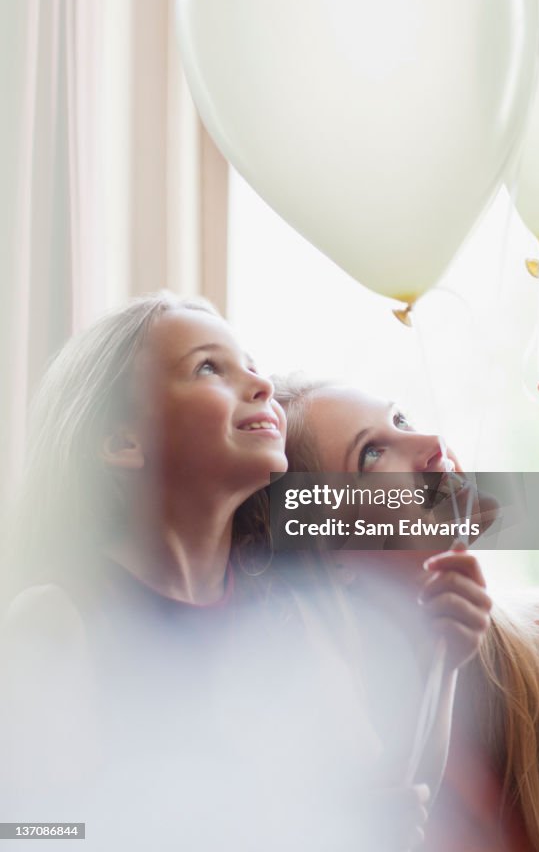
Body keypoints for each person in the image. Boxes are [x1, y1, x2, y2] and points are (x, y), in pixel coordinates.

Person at [0, 291, 487, 852]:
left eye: (252, 367)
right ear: (123, 441)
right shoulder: (59, 619)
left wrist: (442, 662)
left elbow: (394, 801)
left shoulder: (288, 617)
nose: (260, 386)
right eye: (209, 367)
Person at [273, 376, 539, 852]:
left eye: (402, 419)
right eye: (370, 455)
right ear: (328, 552)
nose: (432, 444)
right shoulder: (315, 733)